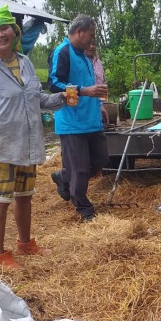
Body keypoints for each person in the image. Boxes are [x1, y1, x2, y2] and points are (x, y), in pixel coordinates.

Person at [0, 5, 66, 270]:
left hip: (27, 142)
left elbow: (37, 98)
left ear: (15, 31)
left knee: (25, 195)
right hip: (1, 145)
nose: (1, 34)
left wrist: (63, 97)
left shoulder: (24, 61)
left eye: (5, 28)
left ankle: (25, 243)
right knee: (0, 199)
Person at [47, 15, 109, 221]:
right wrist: (83, 91)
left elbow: (91, 86)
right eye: (90, 35)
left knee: (101, 159)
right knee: (81, 170)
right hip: (72, 121)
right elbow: (54, 83)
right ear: (78, 32)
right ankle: (84, 208)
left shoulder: (84, 55)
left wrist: (98, 105)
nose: (92, 40)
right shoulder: (63, 52)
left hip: (91, 119)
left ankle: (64, 176)